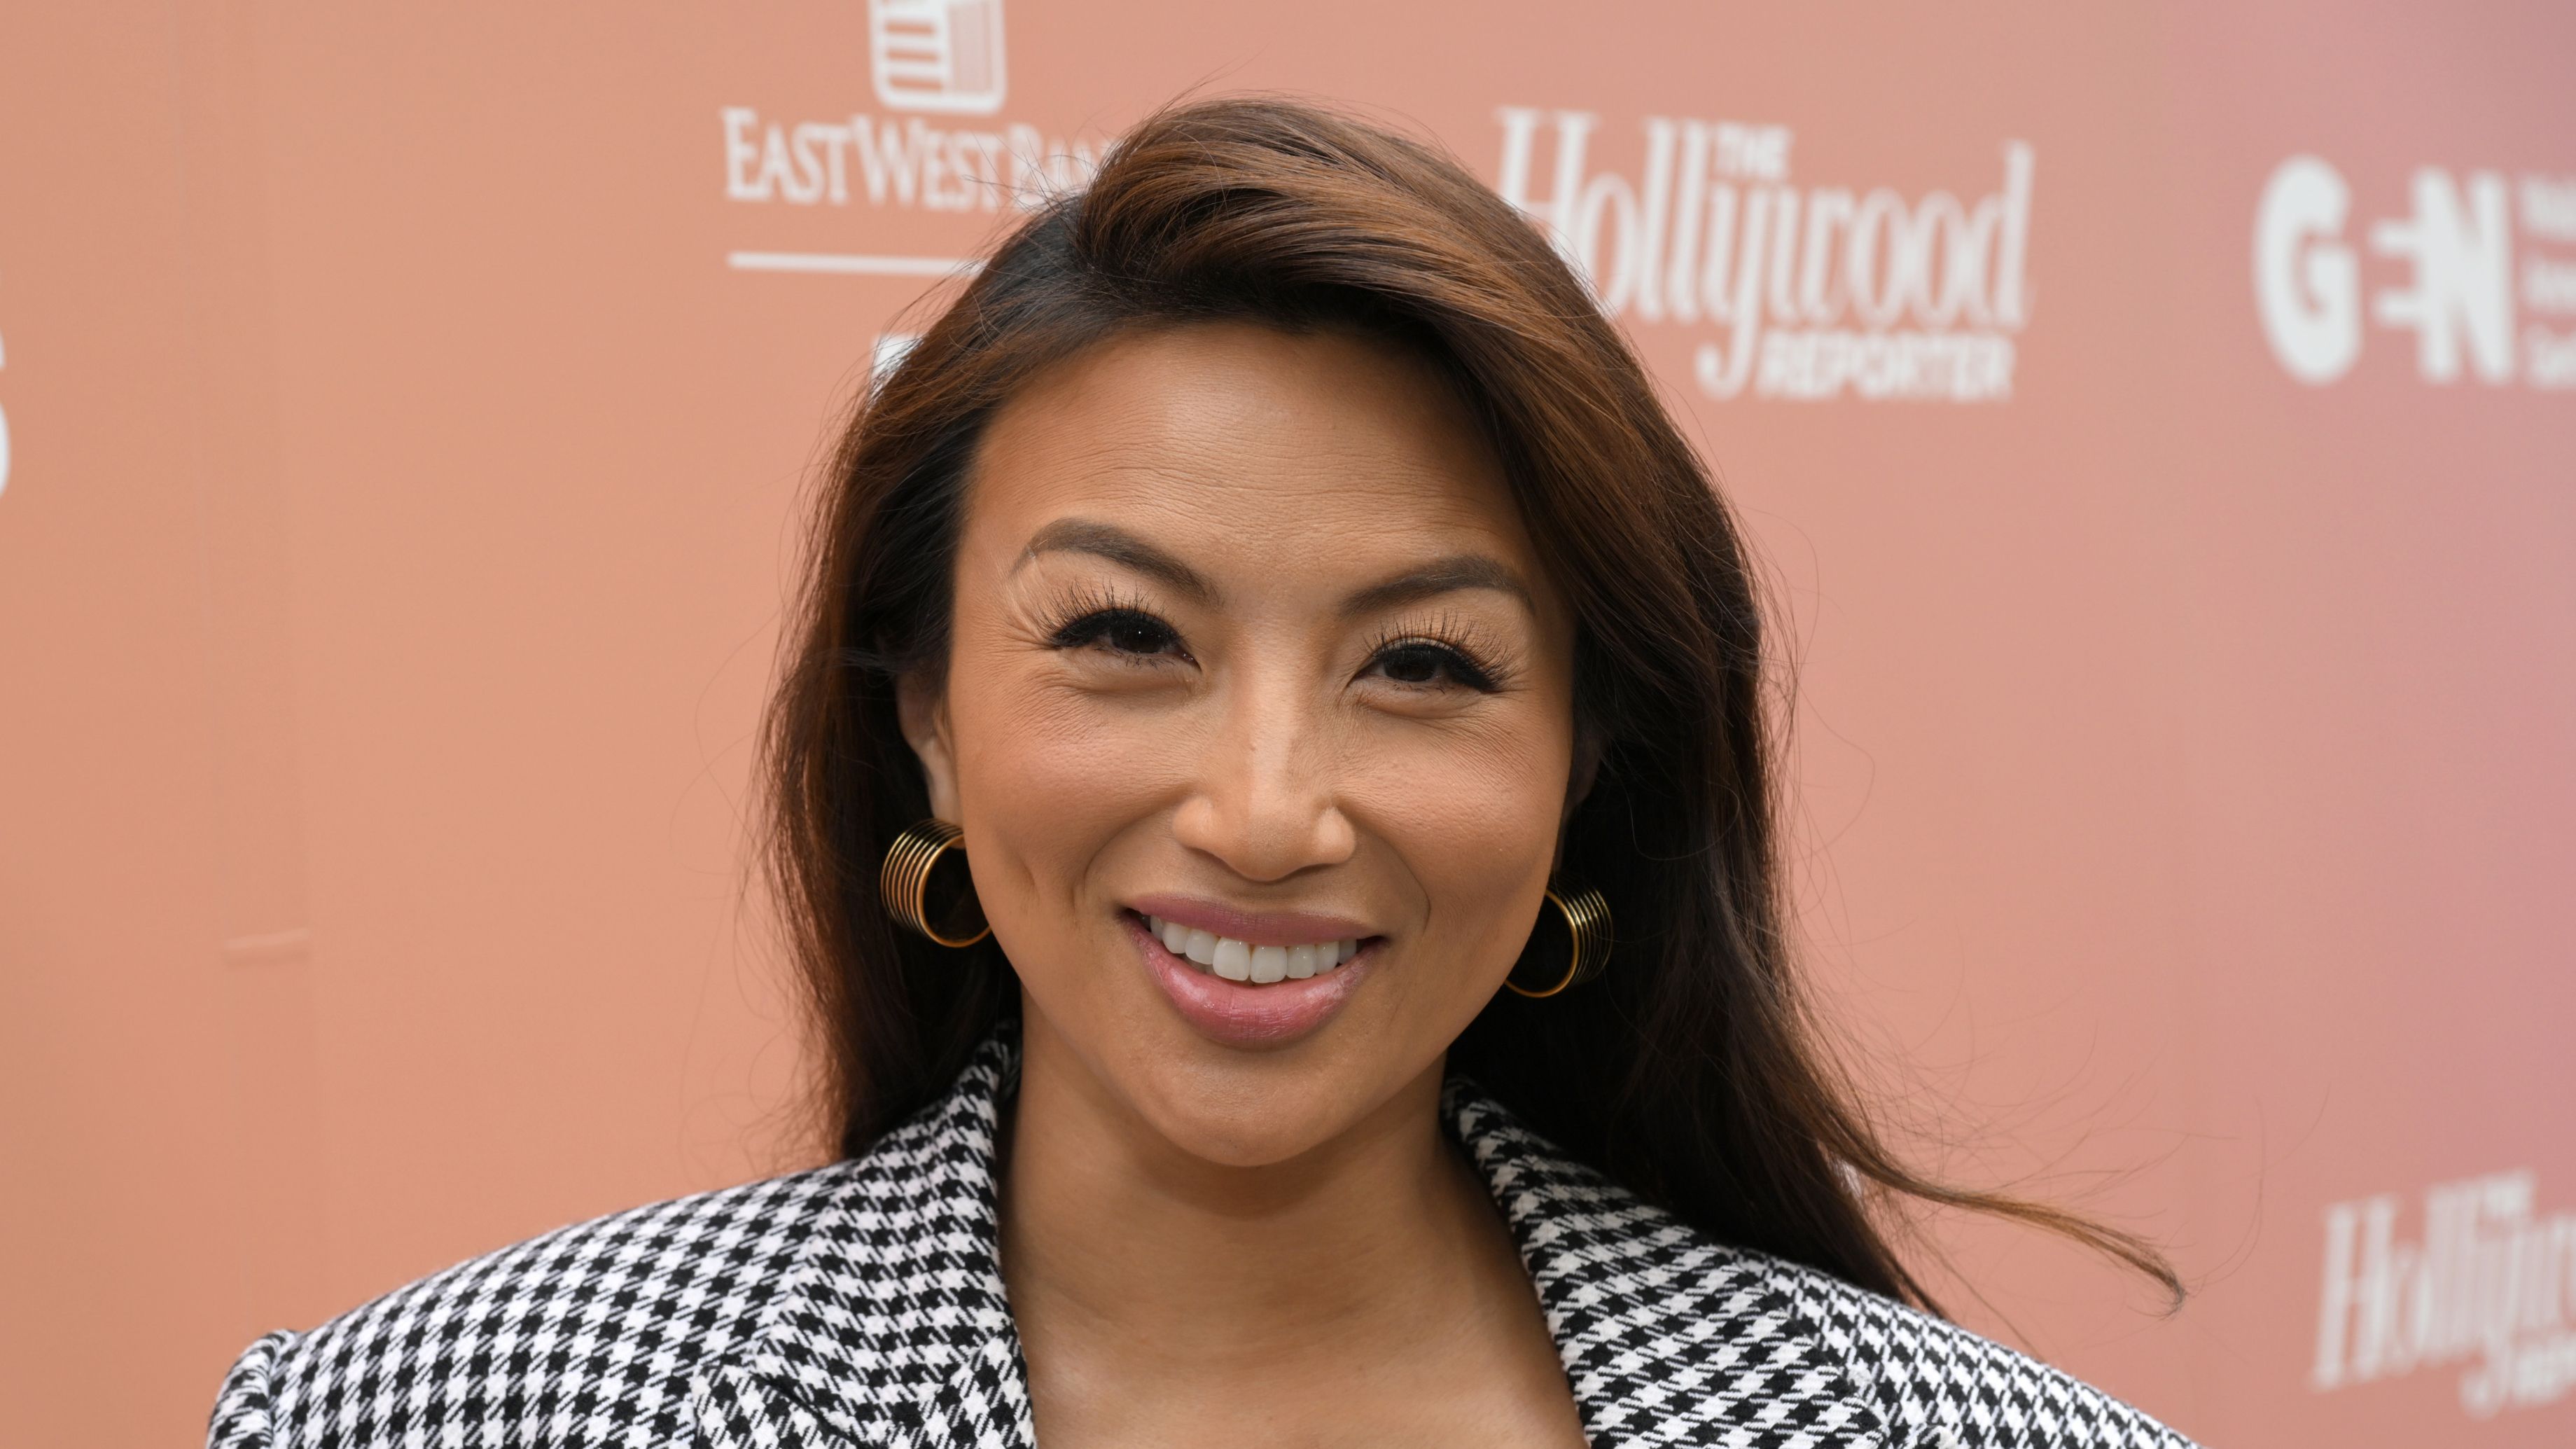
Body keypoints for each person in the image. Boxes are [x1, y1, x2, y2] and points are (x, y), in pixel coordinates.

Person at [209, 97, 2198, 1448]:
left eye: (1423, 664)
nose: (1263, 810)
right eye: (1125, 639)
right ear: (920, 707)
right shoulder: (448, 1412)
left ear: (1589, 756)